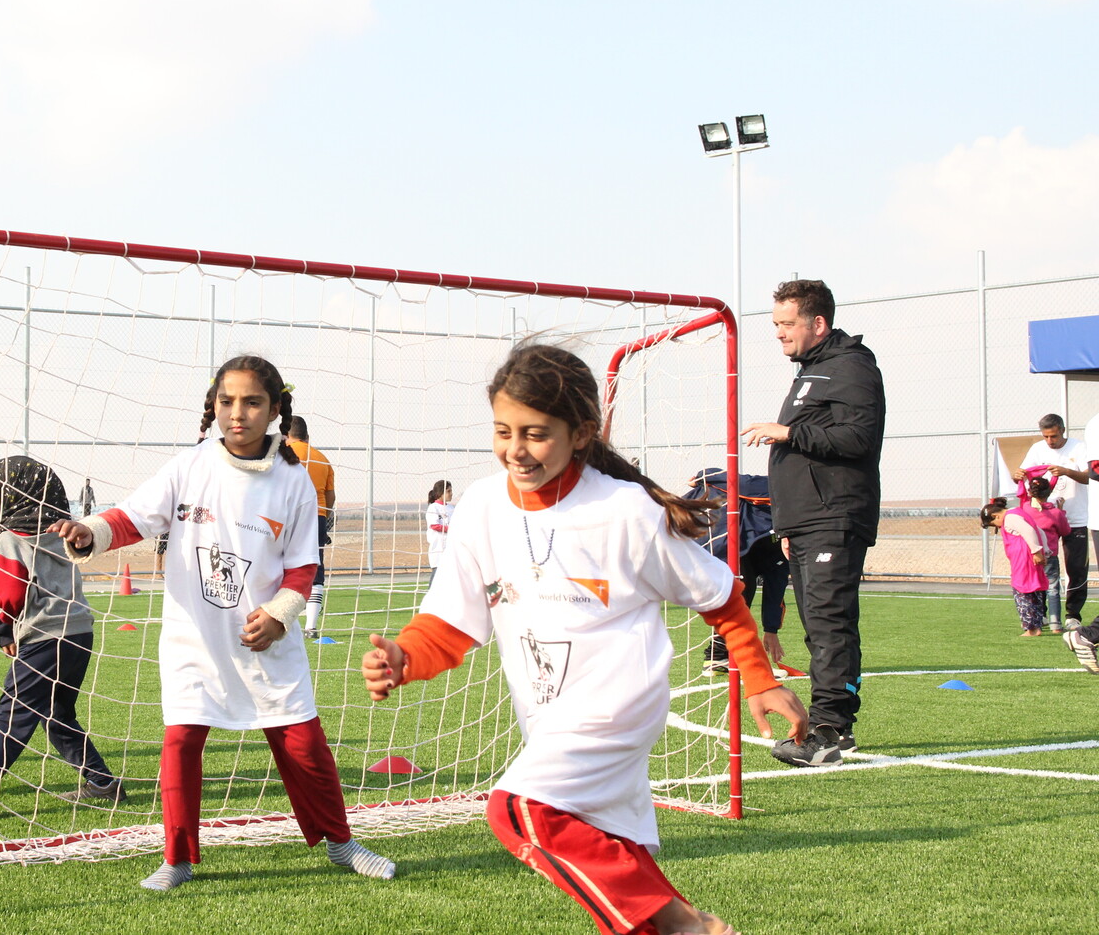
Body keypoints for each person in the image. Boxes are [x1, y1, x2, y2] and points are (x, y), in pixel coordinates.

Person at [360, 344, 806, 935]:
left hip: (618, 704)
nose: (515, 450)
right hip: (549, 715)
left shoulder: (626, 512)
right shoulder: (480, 508)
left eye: (536, 433)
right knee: (616, 855)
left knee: (520, 811)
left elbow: (718, 594)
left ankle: (688, 925)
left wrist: (760, 678)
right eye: (502, 431)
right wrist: (403, 655)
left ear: (581, 433)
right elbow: (452, 622)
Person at [52, 354, 395, 892]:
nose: (239, 413)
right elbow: (133, 517)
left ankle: (341, 843)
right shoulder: (189, 467)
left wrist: (281, 616)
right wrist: (89, 532)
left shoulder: (295, 482)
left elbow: (304, 566)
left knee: (304, 744)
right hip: (196, 642)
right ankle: (178, 857)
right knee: (181, 743)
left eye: (253, 402)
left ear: (276, 409)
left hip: (265, 643)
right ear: (213, 407)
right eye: (227, 401)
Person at [743, 278, 884, 768]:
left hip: (835, 517)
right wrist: (783, 526)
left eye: (787, 324)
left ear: (817, 323)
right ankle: (828, 729)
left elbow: (858, 438)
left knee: (829, 625)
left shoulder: (850, 367)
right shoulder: (811, 372)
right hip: (804, 523)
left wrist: (787, 431)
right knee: (816, 626)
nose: (779, 334)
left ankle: (831, 732)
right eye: (776, 324)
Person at [0, 455, 124, 819]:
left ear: (12, 496)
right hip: (79, 631)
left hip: (45, 636)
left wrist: (3, 624)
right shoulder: (65, 530)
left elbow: (8, 595)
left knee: (11, 712)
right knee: (57, 713)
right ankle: (101, 781)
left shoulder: (11, 540)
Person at [684, 468, 791, 673]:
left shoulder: (786, 539)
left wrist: (771, 629)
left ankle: (718, 657)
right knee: (740, 589)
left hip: (738, 542)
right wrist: (705, 474)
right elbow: (745, 483)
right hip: (714, 525)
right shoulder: (791, 490)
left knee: (743, 587)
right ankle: (736, 660)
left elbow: (776, 581)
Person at [1011, 414, 1089, 631]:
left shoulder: (1079, 448)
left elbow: (1089, 476)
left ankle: (1073, 615)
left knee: (1076, 568)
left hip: (1076, 516)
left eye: (1053, 436)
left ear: (1062, 430)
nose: (1049, 441)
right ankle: (1042, 613)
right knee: (1043, 567)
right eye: (1045, 436)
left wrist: (1066, 472)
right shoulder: (1037, 449)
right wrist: (1017, 474)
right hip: (1045, 519)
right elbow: (1022, 475)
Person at [286, 414, 336, 639]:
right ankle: (311, 627)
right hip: (317, 515)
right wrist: (327, 515)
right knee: (315, 568)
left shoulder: (282, 455)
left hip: (287, 516)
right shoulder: (322, 458)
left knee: (282, 567)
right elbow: (330, 494)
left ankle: (283, 621)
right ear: (307, 436)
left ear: (288, 435)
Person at [980, 497, 1049, 637]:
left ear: (996, 515)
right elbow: (1039, 531)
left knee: (1023, 592)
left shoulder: (1010, 518)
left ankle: (1031, 628)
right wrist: (1045, 550)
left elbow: (1029, 531)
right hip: (1029, 560)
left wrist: (1036, 551)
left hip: (1023, 561)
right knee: (1035, 591)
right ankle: (1037, 624)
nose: (998, 527)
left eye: (994, 523)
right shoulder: (1018, 512)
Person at [1023, 476, 1072, 632]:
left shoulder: (1025, 509)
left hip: (1030, 555)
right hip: (1049, 555)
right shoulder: (1055, 513)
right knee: (1052, 588)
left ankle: (1034, 620)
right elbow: (1065, 531)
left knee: (1033, 588)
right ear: (1049, 492)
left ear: (1030, 492)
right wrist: (1061, 510)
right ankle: (1055, 623)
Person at [425, 480, 454, 570]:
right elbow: (434, 525)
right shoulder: (433, 507)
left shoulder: (451, 508)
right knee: (436, 577)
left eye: (451, 491)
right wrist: (451, 529)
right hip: (438, 548)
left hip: (451, 548)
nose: (451, 493)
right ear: (440, 492)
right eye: (448, 491)